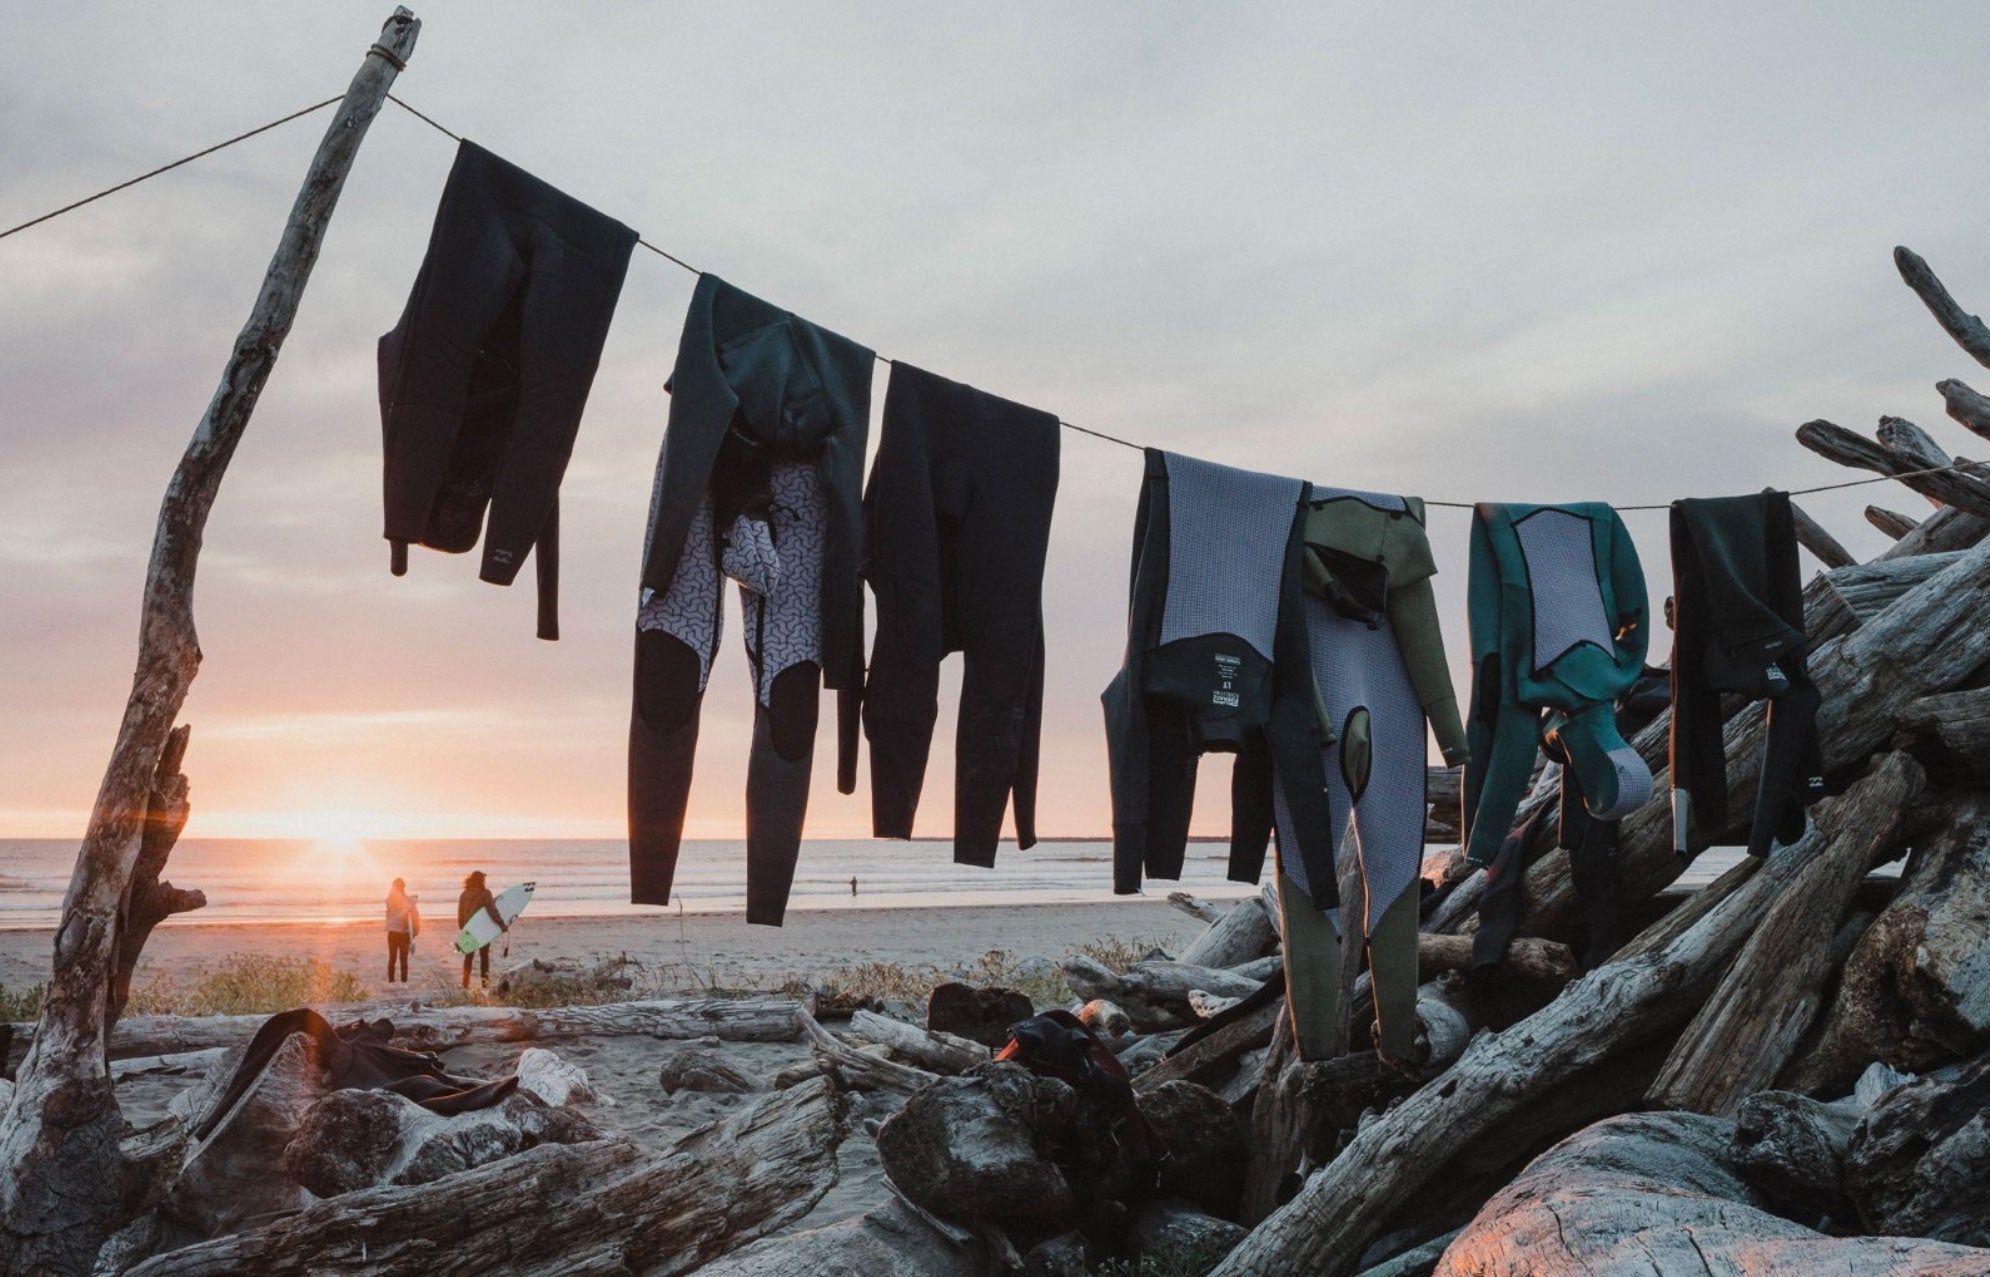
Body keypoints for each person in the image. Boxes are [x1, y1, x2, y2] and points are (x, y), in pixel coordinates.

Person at [458, 871, 506, 988]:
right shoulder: (485, 893)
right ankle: (485, 983)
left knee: (468, 957)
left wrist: (462, 927)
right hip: (483, 929)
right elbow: (492, 911)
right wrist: (500, 923)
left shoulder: (464, 894)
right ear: (481, 880)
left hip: (469, 928)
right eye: (483, 879)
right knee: (484, 955)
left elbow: (460, 913)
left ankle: (465, 983)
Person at [384, 878, 419, 983]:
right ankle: (404, 981)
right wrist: (414, 933)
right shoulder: (408, 901)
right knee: (403, 960)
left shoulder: (389, 901)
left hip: (391, 933)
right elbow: (415, 917)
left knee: (392, 958)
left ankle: (391, 981)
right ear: (403, 887)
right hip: (404, 934)